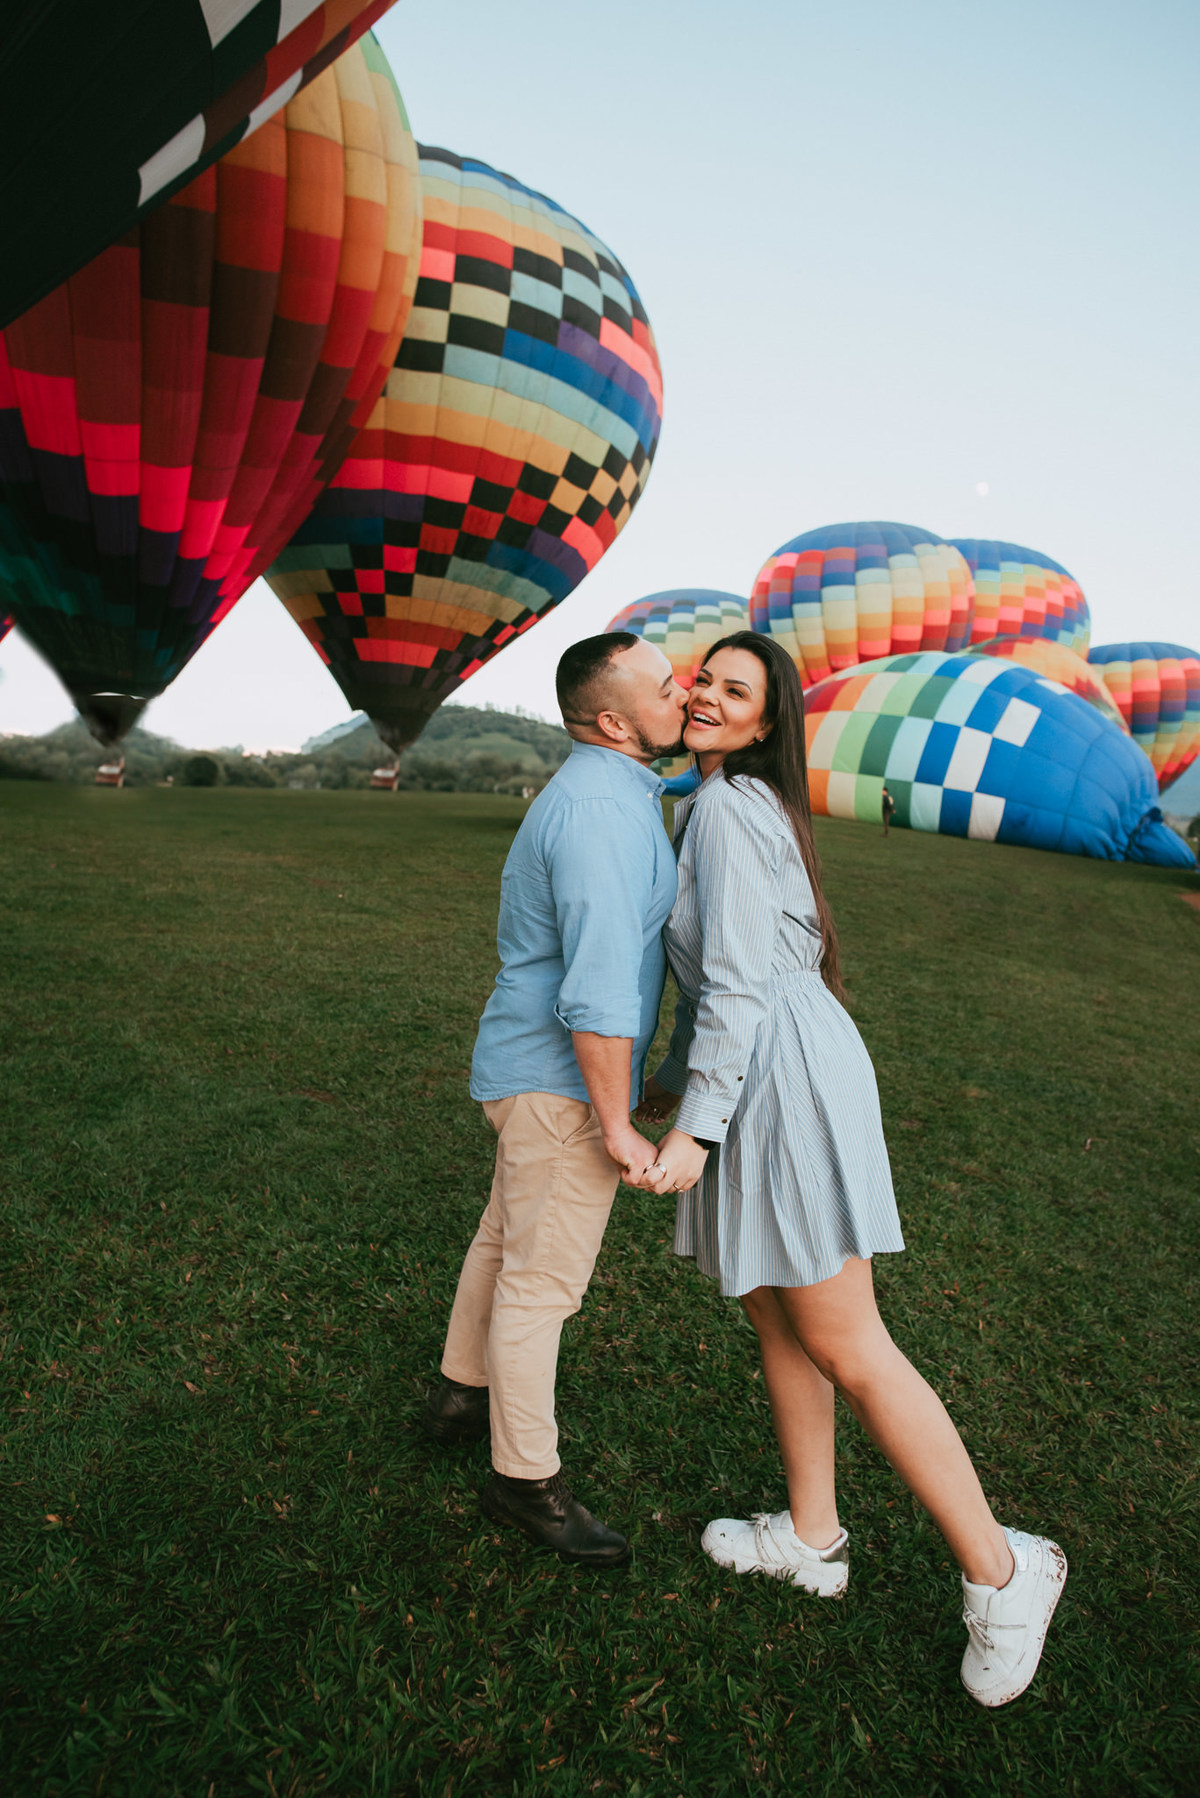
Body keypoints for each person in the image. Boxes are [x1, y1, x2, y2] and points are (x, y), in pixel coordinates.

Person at [637, 631, 1066, 1707]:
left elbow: (734, 985)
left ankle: (1006, 1572)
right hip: (776, 1060)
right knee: (777, 1315)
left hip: (779, 1071)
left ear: (766, 720)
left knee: (846, 1337)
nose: (710, 698)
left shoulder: (728, 810)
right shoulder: (723, 804)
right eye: (706, 681)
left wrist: (695, 1126)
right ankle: (813, 1537)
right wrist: (684, 1091)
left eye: (738, 692)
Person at [425, 630, 687, 1567]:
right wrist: (615, 1120)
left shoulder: (614, 790)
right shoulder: (601, 818)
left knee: (503, 1238)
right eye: (666, 685)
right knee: (544, 1287)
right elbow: (601, 990)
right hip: (559, 1083)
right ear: (615, 719)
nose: (684, 691)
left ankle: (461, 1394)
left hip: (525, 1069)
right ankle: (525, 1479)